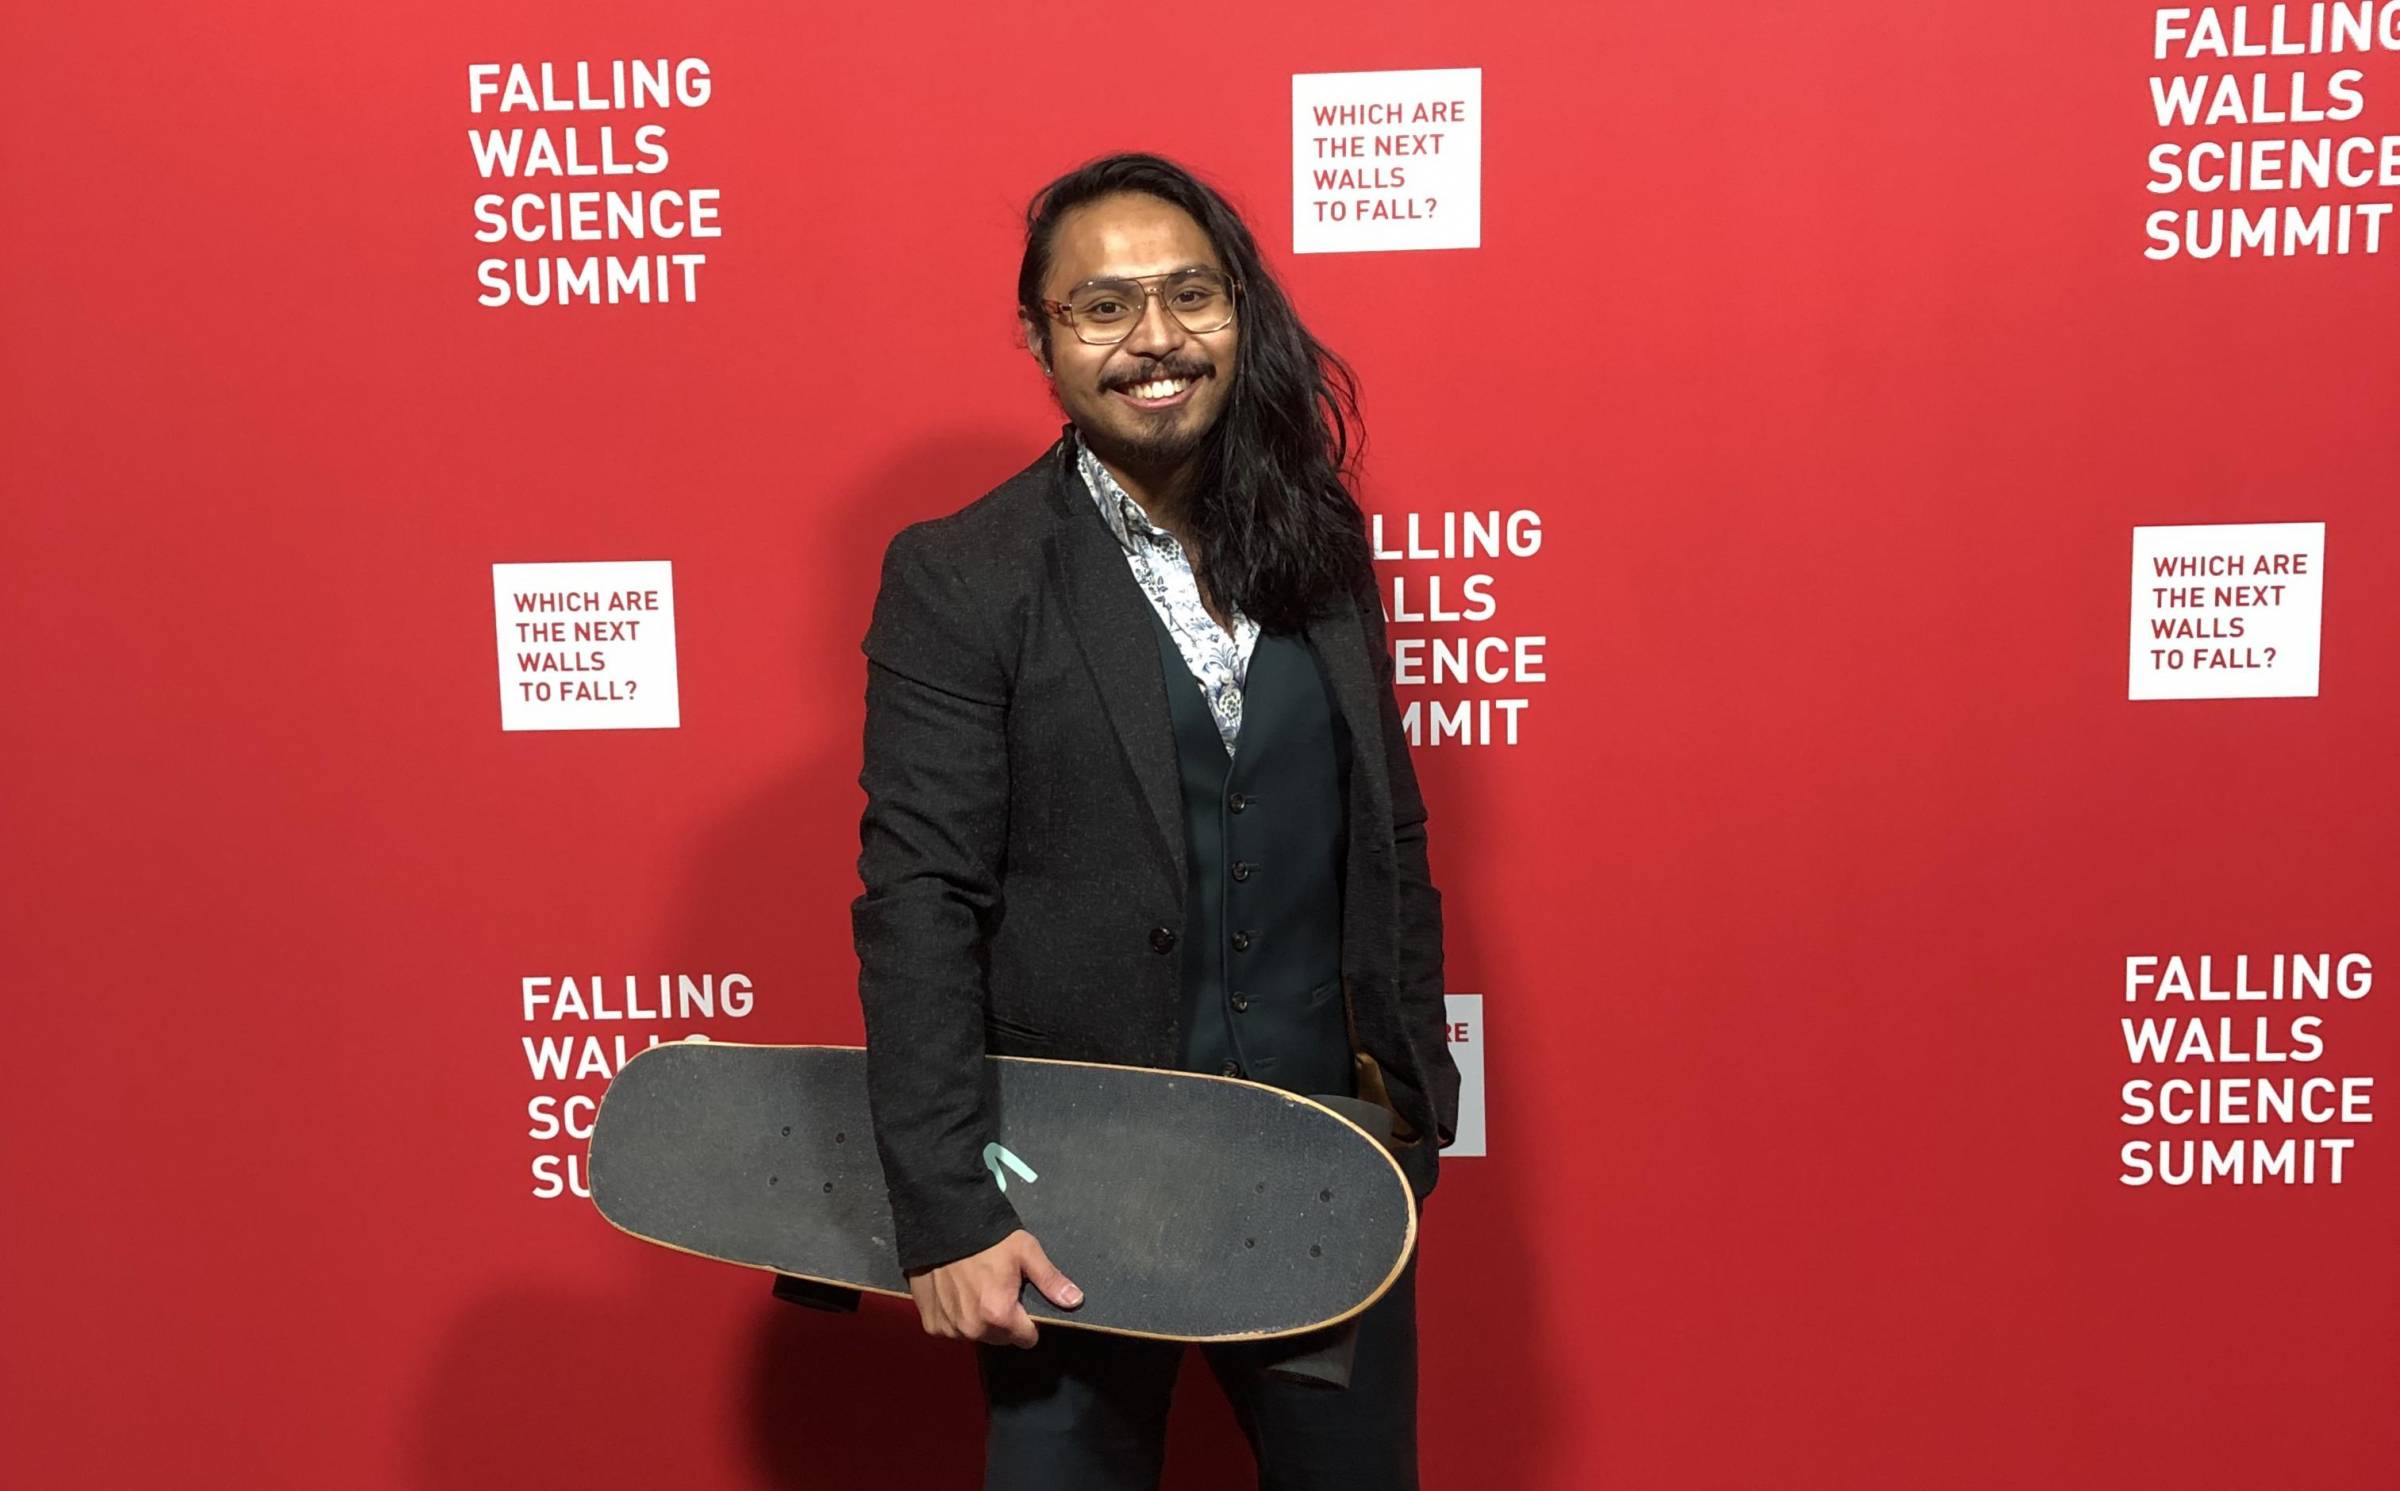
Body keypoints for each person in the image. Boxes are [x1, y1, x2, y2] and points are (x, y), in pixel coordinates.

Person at [850, 150, 1459, 1491]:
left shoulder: (1321, 544)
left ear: (1241, 309)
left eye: (1192, 294)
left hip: (1323, 1175)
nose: (1158, 340)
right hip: (1069, 1196)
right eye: (1104, 306)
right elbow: (921, 906)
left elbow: (1388, 839)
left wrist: (1413, 1124)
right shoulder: (965, 576)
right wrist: (950, 1212)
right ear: (1040, 335)